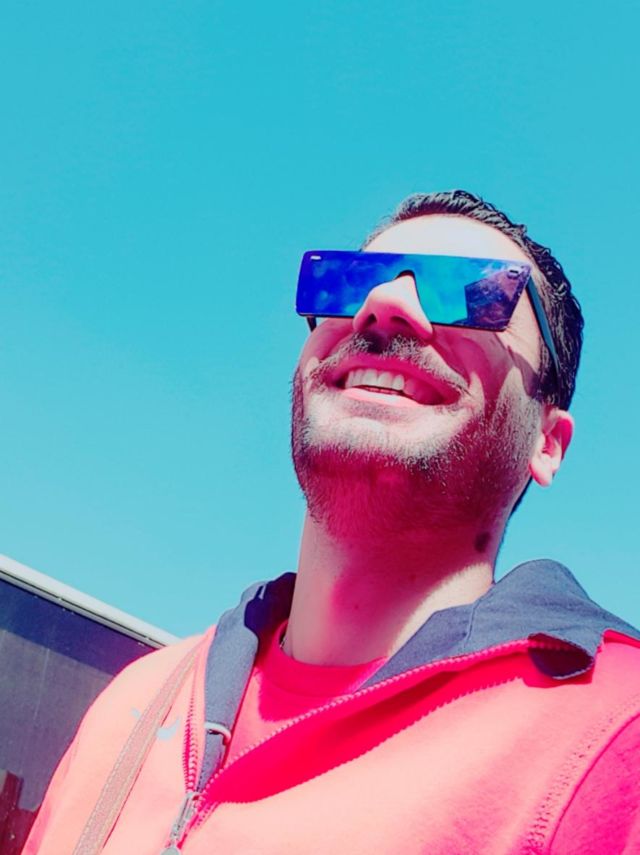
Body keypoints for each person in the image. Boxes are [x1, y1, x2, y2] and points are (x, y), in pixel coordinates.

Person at [25, 190, 640, 854]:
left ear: (547, 441)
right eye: (348, 282)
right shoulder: (135, 707)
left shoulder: (616, 737)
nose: (386, 304)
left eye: (473, 291)